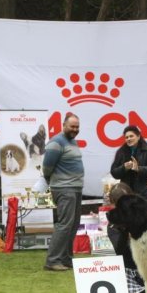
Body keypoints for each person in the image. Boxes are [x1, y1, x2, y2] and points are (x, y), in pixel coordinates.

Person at [42, 113, 84, 271]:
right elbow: (47, 166)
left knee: (73, 225)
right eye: (72, 126)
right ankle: (52, 261)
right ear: (64, 125)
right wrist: (50, 179)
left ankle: (66, 259)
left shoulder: (72, 141)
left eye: (77, 127)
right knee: (64, 225)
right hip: (64, 189)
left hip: (75, 188)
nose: (75, 129)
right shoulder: (56, 142)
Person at [109, 125, 147, 198]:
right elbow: (114, 172)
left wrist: (138, 168)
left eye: (131, 136)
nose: (129, 139)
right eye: (126, 137)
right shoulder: (121, 152)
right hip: (126, 194)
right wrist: (124, 168)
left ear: (138, 137)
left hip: (146, 194)